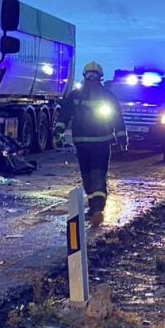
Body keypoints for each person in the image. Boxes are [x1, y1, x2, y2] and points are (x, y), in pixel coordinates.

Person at [53, 62, 128, 228]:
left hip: (86, 143)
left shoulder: (76, 95)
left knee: (91, 176)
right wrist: (122, 141)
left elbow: (64, 116)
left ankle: (96, 209)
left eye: (93, 76)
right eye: (91, 75)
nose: (92, 78)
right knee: (95, 176)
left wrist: (58, 132)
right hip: (99, 143)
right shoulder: (106, 95)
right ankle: (96, 209)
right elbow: (117, 120)